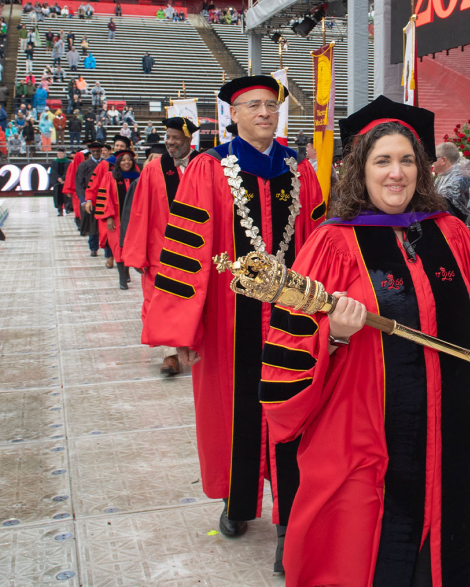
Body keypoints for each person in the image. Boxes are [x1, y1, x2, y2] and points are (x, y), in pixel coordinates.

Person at [261, 95, 470, 584]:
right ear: (359, 170)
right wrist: (335, 334)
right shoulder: (331, 243)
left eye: (407, 160)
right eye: (382, 160)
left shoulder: (452, 236)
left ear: (423, 169)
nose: (396, 173)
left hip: (451, 434)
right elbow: (286, 348)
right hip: (364, 442)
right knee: (364, 551)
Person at [144, 75, 326, 566]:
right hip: (230, 317)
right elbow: (187, 250)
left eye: (272, 105)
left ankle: (292, 516)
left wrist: (325, 306)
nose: (265, 113)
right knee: (235, 409)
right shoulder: (208, 169)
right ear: (233, 115)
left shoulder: (300, 171)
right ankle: (239, 501)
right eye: (253, 106)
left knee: (294, 408)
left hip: (290, 314)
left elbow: (317, 241)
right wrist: (184, 327)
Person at [122, 120, 199, 376]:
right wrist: (138, 253)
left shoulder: (206, 165)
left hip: (199, 251)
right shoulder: (154, 170)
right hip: (162, 250)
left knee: (197, 301)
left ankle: (196, 348)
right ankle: (170, 355)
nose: (171, 142)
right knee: (162, 302)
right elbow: (140, 212)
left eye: (176, 137)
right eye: (168, 137)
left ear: (189, 140)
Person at [432, 141, 470, 253]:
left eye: (434, 158)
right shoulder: (446, 178)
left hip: (459, 240)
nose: (432, 162)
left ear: (443, 160)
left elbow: (445, 209)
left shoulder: (458, 180)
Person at [96, 149, 139, 290]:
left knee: (130, 246)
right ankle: (122, 278)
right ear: (118, 163)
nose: (127, 162)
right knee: (118, 247)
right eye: (123, 160)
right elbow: (105, 197)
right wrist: (108, 217)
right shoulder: (110, 177)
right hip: (116, 219)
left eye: (129, 159)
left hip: (134, 220)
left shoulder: (138, 177)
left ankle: (126, 272)